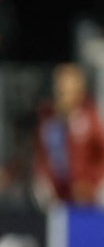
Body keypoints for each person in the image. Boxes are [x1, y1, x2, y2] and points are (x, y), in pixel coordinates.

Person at [33, 64, 104, 206]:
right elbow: (41, 157)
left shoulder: (90, 120)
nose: (63, 97)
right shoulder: (49, 122)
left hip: (88, 196)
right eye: (60, 91)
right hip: (57, 196)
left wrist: (91, 184)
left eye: (67, 92)